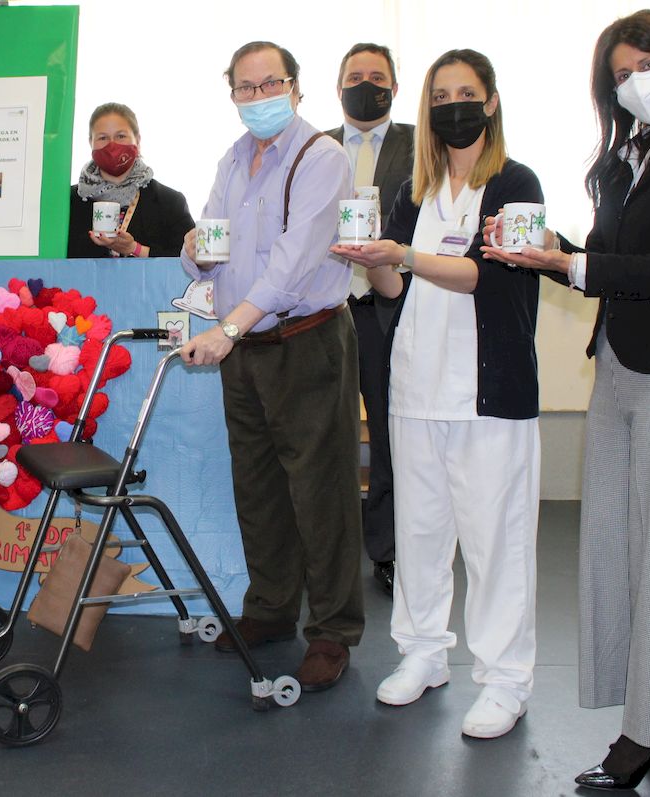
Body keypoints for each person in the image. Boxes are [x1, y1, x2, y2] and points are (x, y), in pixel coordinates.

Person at [480, 10, 650, 787]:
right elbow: (610, 257)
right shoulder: (623, 160)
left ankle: (647, 734)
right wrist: (542, 250)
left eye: (648, 63)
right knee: (616, 555)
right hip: (621, 369)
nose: (636, 81)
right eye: (621, 75)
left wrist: (573, 263)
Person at [332, 48, 543, 739]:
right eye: (442, 93)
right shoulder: (416, 189)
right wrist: (376, 263)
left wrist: (405, 257)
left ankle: (505, 678)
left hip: (489, 392)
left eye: (467, 92)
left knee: (495, 539)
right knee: (420, 532)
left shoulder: (518, 181)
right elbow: (397, 287)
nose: (454, 104)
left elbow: (492, 275)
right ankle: (423, 652)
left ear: (489, 101)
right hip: (417, 385)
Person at [179, 41, 362, 693]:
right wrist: (194, 250)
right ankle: (270, 610)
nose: (257, 98)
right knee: (257, 487)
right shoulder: (233, 159)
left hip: (305, 340)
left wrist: (228, 328)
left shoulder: (323, 158)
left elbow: (293, 264)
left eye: (270, 84)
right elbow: (212, 241)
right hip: (246, 348)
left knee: (322, 489)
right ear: (231, 92)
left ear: (296, 88)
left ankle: (334, 629)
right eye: (245, 88)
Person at [324, 42, 415, 597]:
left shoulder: (419, 147)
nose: (366, 84)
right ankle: (324, 555)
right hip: (325, 306)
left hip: (390, 306)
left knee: (387, 433)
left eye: (377, 76)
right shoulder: (314, 148)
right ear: (339, 88)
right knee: (322, 436)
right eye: (355, 76)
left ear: (394, 88)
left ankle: (389, 550)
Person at [67, 102, 194, 259]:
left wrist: (134, 248)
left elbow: (189, 260)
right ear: (90, 143)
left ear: (138, 140)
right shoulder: (69, 202)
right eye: (102, 138)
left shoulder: (170, 202)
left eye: (121, 136)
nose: (112, 145)